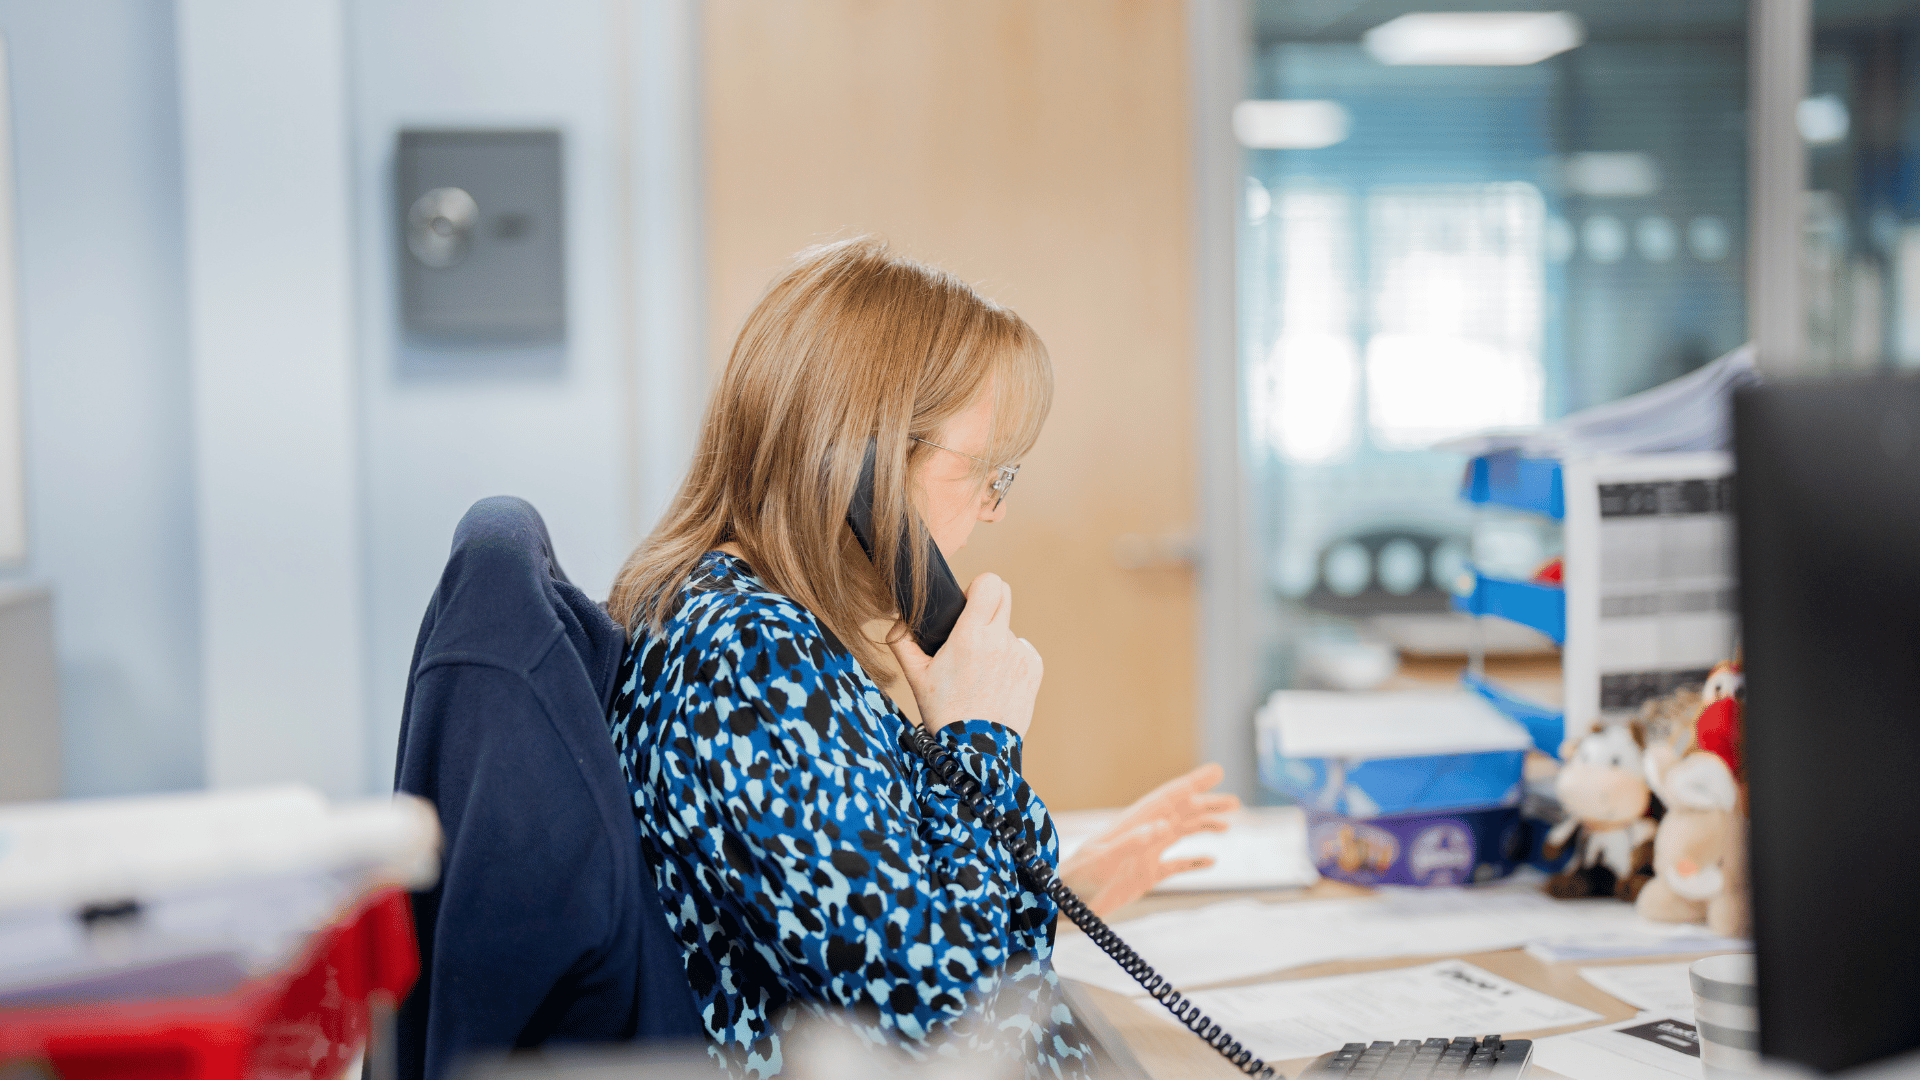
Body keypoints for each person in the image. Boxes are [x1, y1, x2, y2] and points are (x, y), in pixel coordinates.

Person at [605, 237, 1237, 1077]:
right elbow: (950, 1028)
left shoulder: (774, 630)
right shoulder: (748, 659)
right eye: (989, 473)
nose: (994, 509)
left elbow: (901, 925)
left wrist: (1056, 900)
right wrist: (980, 737)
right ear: (865, 461)